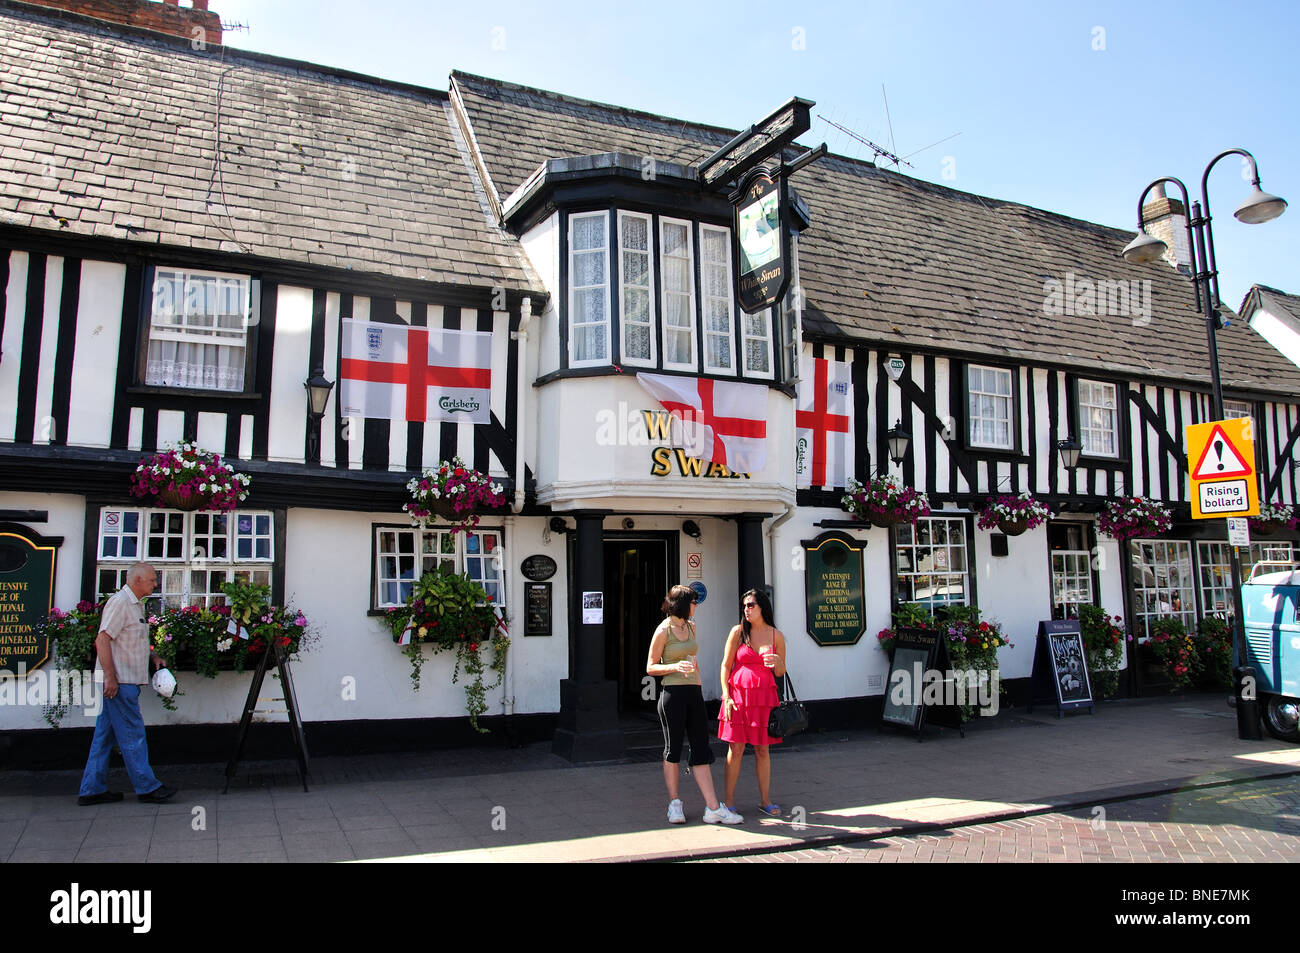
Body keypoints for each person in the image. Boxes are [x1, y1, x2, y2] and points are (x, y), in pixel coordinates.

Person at [78, 562, 178, 806]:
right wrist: (110, 677)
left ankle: (91, 789)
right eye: (153, 579)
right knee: (133, 734)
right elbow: (102, 639)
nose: (156, 584)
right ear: (138, 580)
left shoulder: (135, 605)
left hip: (123, 680)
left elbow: (129, 641)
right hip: (120, 682)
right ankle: (147, 787)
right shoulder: (121, 603)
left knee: (104, 737)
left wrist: (153, 657)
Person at [646, 584, 743, 826]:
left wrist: (698, 685)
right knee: (673, 749)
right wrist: (674, 667)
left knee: (701, 747)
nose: (696, 606)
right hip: (672, 694)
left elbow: (694, 659)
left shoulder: (691, 627)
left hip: (693, 692)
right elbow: (650, 666)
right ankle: (675, 804)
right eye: (693, 602)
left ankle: (713, 808)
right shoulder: (662, 630)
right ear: (682, 604)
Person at [719, 588, 785, 817]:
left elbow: (781, 671)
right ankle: (727, 802)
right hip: (738, 696)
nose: (746, 609)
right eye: (744, 606)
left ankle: (765, 800)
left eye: (751, 605)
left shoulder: (776, 635)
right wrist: (726, 696)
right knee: (735, 748)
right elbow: (725, 666)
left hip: (763, 698)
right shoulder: (737, 632)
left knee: (762, 749)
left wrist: (777, 660)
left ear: (762, 607)